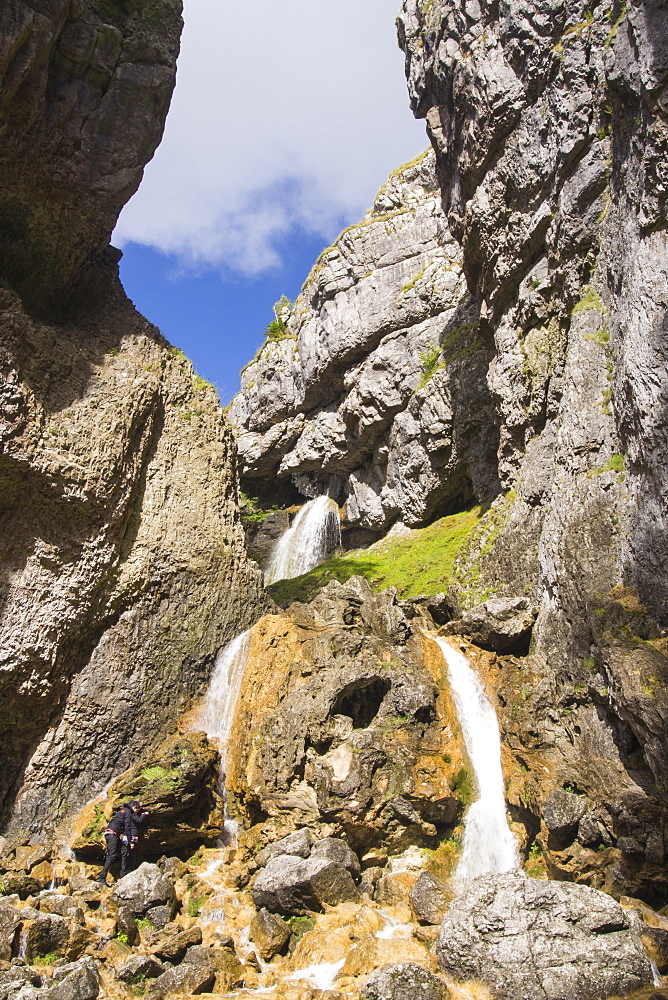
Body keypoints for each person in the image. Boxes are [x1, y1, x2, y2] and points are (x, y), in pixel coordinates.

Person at [95, 801, 149, 884]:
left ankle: (122, 874)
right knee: (111, 855)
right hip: (112, 834)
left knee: (123, 850)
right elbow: (127, 827)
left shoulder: (122, 810)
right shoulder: (127, 812)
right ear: (134, 807)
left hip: (110, 833)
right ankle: (102, 878)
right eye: (137, 810)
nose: (136, 812)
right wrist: (130, 841)